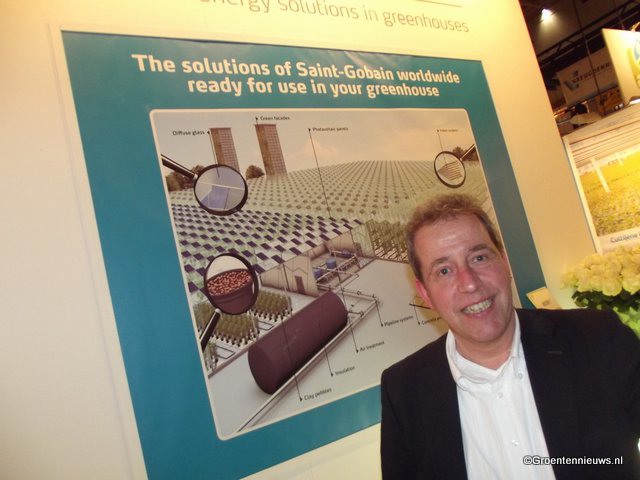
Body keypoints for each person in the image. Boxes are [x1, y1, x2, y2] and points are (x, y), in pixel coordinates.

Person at [380, 193, 640, 479]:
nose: (469, 283)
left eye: (479, 257)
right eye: (444, 271)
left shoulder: (597, 338)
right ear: (425, 294)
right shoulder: (403, 390)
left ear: (504, 263)